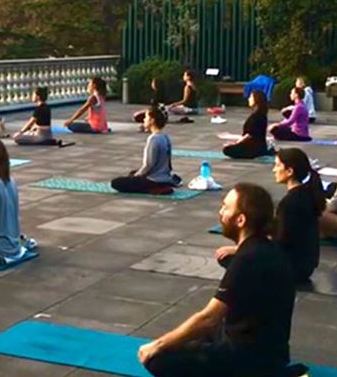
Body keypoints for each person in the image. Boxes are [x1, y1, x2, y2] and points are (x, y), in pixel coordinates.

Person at [139, 183, 296, 377]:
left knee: (159, 359)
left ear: (240, 220)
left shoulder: (247, 261)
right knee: (189, 337)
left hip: (251, 360)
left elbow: (209, 318)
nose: (221, 212)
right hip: (272, 352)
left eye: (226, 207)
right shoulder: (266, 249)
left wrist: (158, 345)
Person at [216, 149, 325, 284]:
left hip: (293, 268)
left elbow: (279, 241)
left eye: (278, 165)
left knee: (229, 259)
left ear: (289, 171)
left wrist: (238, 249)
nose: (274, 170)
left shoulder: (290, 202)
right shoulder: (305, 194)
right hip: (305, 265)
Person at [111, 106, 176, 194]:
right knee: (132, 173)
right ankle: (160, 186)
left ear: (152, 120)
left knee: (116, 183)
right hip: (164, 176)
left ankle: (155, 188)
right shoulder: (165, 136)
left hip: (154, 180)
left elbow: (148, 165)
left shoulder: (153, 139)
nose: (144, 120)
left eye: (146, 117)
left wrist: (136, 177)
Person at [222, 90, 271, 159]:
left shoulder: (257, 116)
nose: (249, 99)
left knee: (227, 150)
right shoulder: (259, 114)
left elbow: (249, 135)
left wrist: (236, 143)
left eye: (251, 97)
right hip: (256, 145)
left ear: (256, 100)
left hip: (254, 147)